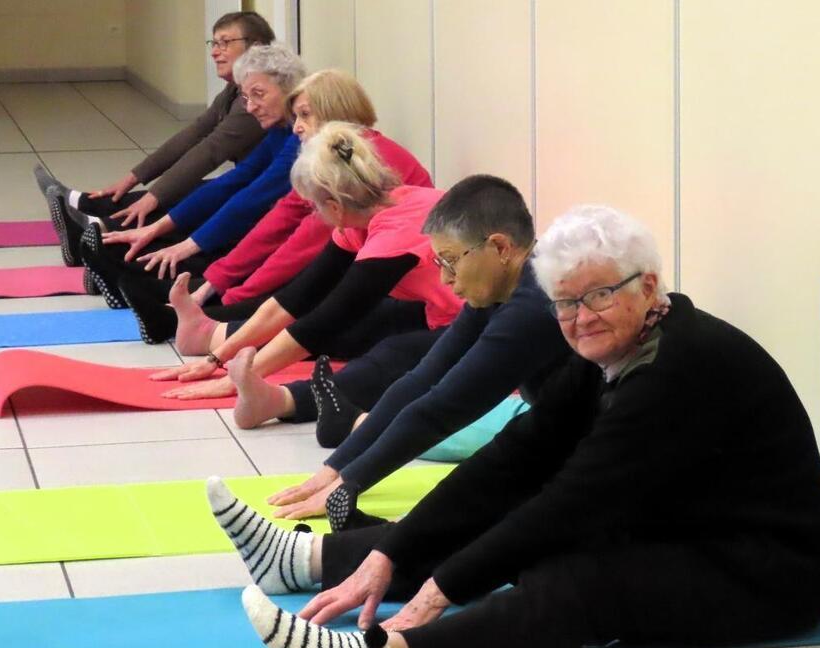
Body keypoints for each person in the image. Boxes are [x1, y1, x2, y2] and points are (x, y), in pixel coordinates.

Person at [203, 204, 820, 648]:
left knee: (574, 576)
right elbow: (515, 458)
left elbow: (572, 503)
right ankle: (308, 558)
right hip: (688, 529)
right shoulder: (619, 345)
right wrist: (392, 553)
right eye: (564, 302)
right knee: (499, 513)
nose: (579, 317)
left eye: (597, 296)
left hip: (767, 573)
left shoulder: (680, 367)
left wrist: (444, 588)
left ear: (649, 287)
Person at [223, 176, 571, 531]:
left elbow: (443, 408)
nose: (446, 280)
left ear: (500, 248)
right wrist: (335, 468)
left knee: (469, 504)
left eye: (450, 261)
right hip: (562, 435)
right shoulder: (500, 286)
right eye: (439, 264)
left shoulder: (534, 305)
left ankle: (313, 558)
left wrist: (351, 482)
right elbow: (420, 381)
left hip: (597, 452)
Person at [149, 122, 463, 400]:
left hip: (481, 322)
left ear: (335, 205)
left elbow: (327, 319)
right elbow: (295, 300)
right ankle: (207, 335)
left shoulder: (397, 229)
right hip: (436, 313)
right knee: (347, 329)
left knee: (387, 356)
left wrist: (240, 379)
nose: (314, 213)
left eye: (313, 206)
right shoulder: (362, 218)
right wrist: (215, 360)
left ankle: (287, 401)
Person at [116, 69, 433, 344]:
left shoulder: (354, 162)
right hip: (374, 269)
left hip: (405, 290)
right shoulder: (330, 156)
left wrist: (229, 294)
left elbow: (301, 244)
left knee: (308, 294)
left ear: (335, 112)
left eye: (305, 115)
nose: (296, 127)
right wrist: (220, 282)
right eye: (296, 116)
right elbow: (281, 218)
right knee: (291, 280)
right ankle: (194, 313)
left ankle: (196, 320)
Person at [78, 43, 306, 309]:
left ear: (291, 90)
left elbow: (252, 198)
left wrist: (187, 245)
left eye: (259, 95)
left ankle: (129, 276)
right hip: (266, 225)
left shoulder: (300, 138)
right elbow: (234, 181)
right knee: (180, 230)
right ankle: (121, 266)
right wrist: (156, 228)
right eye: (246, 98)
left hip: (285, 242)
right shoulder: (281, 129)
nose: (252, 107)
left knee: (205, 248)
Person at [36, 11, 273, 265]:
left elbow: (210, 151)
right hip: (249, 185)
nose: (215, 52)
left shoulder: (257, 99)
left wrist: (154, 196)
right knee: (196, 191)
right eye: (213, 44)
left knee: (198, 197)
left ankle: (98, 228)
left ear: (256, 48)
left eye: (225, 43)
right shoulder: (236, 90)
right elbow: (195, 132)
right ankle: (88, 212)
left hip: (262, 202)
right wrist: (133, 177)